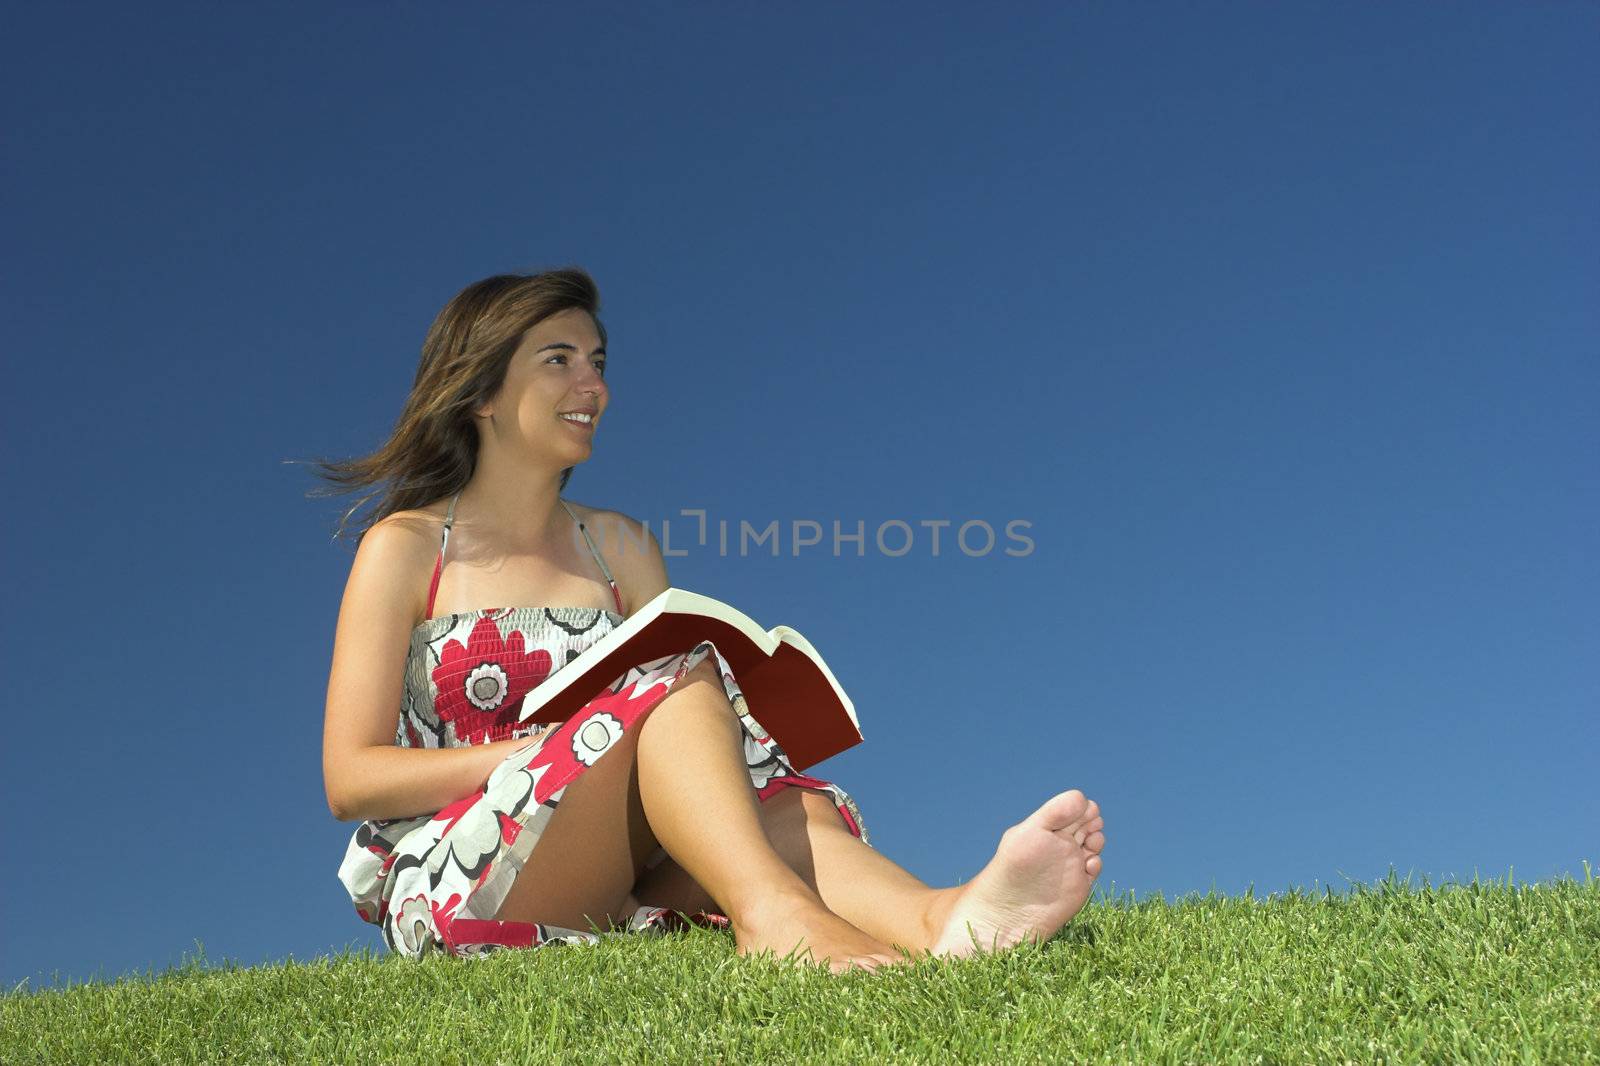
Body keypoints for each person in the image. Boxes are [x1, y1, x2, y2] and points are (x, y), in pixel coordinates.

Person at [314, 268, 1107, 973]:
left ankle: (949, 921)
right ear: (480, 390)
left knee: (757, 777)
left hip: (613, 862)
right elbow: (351, 780)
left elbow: (672, 732)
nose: (593, 387)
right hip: (467, 872)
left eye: (598, 363)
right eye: (558, 359)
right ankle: (775, 917)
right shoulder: (411, 548)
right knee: (673, 677)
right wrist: (532, 757)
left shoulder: (618, 545)